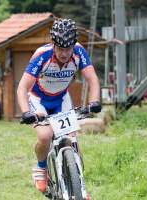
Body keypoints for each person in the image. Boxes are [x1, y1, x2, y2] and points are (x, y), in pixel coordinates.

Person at [17, 18, 101, 193]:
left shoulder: (79, 52)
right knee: (45, 136)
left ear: (73, 45)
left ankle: (79, 189)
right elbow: (22, 87)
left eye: (68, 48)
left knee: (73, 140)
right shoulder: (42, 55)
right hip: (38, 99)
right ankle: (41, 168)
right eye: (60, 49)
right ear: (53, 44)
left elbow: (92, 79)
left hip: (62, 99)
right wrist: (26, 112)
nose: (64, 53)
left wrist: (94, 102)